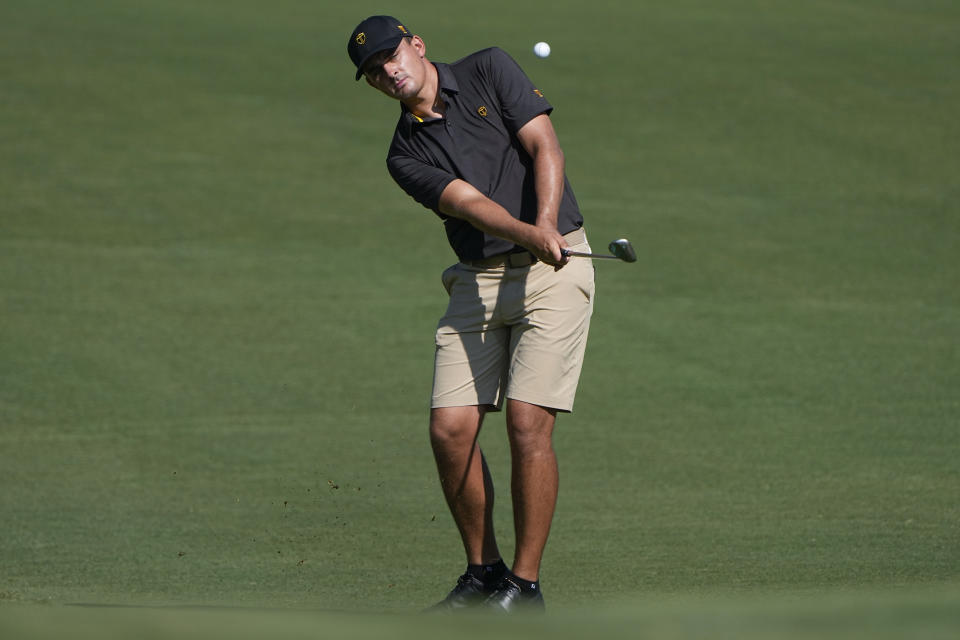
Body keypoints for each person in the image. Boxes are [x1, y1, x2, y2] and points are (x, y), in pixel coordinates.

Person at [347, 16, 595, 613]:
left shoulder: (488, 67)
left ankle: (524, 587)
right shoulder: (403, 153)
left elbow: (544, 144)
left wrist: (544, 227)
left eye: (392, 56)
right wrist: (524, 232)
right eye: (374, 71)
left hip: (554, 272)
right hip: (477, 282)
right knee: (450, 430)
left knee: (526, 424)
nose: (389, 72)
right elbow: (470, 204)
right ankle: (483, 572)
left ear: (417, 44)